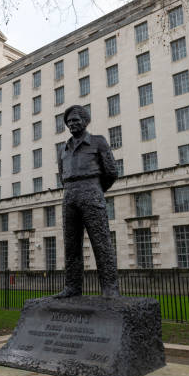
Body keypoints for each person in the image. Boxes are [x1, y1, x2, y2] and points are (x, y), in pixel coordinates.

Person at [54, 105, 120, 298]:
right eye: (69, 121)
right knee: (71, 244)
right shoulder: (63, 149)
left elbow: (112, 172)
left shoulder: (98, 142)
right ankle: (72, 286)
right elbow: (62, 176)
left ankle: (110, 287)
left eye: (75, 120)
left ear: (85, 121)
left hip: (91, 191)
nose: (72, 124)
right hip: (70, 195)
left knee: (101, 242)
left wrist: (96, 190)